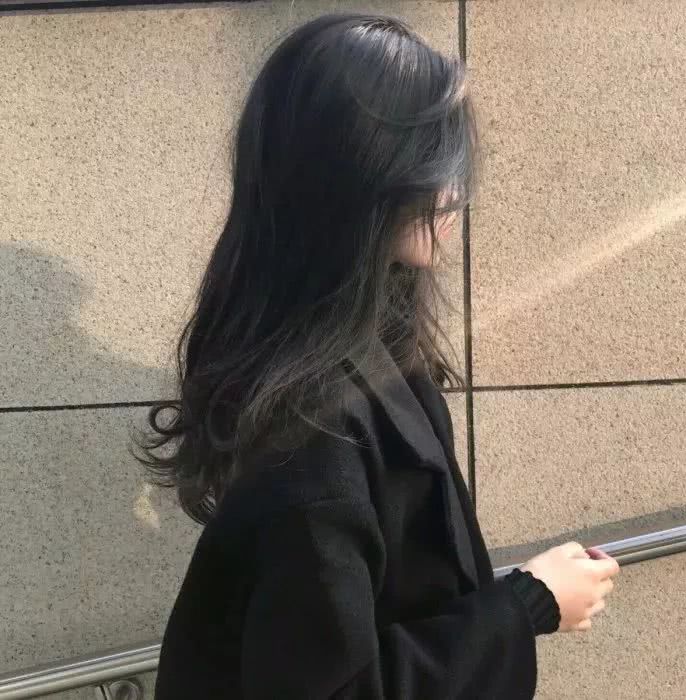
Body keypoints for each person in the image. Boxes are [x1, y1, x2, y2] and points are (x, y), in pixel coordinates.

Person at [133, 14, 620, 699]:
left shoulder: (353, 356)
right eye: (434, 164)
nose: (454, 194)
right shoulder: (313, 435)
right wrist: (529, 604)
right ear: (358, 178)